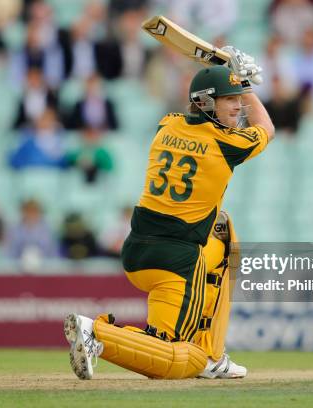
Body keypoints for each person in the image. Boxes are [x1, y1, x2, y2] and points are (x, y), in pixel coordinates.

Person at [63, 55, 275, 381]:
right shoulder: (226, 142)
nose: (237, 107)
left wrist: (230, 81)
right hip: (176, 263)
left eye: (237, 99)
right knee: (182, 360)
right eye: (229, 100)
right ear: (205, 102)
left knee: (223, 235)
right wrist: (245, 85)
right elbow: (267, 129)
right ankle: (97, 334)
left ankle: (213, 357)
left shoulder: (167, 124)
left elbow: (190, 114)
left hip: (137, 250)